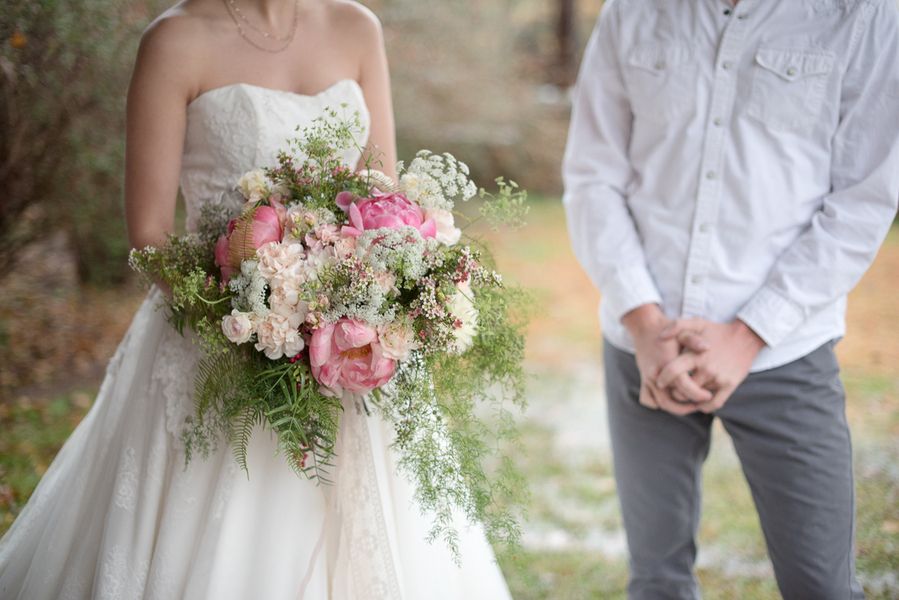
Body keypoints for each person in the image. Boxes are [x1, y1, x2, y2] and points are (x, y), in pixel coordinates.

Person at [0, 1, 511, 598]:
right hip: (215, 350)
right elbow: (148, 235)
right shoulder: (174, 40)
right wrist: (265, 312)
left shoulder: (356, 29)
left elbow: (384, 200)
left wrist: (372, 293)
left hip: (351, 349)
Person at [563, 0, 899, 598]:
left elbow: (862, 200)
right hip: (644, 347)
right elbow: (593, 178)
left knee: (821, 586)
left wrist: (747, 335)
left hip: (785, 352)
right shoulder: (630, 13)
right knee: (656, 581)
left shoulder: (867, 14)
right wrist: (644, 326)